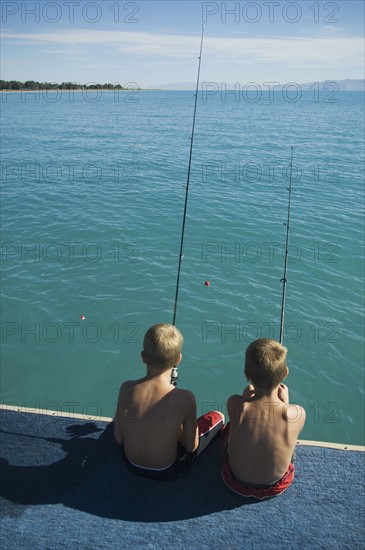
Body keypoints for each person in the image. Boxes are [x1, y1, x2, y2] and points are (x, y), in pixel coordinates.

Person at [114, 323, 225, 480]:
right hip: (167, 471)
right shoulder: (185, 398)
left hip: (130, 464)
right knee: (218, 417)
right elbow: (190, 446)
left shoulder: (126, 388)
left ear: (143, 356)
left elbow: (118, 438)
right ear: (178, 360)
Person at [222, 338, 306, 499]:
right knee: (289, 438)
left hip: (234, 482)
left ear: (247, 374)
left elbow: (243, 423)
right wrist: (285, 403)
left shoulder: (235, 404)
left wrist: (245, 399)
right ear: (285, 373)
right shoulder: (298, 413)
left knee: (228, 429)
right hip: (274, 487)